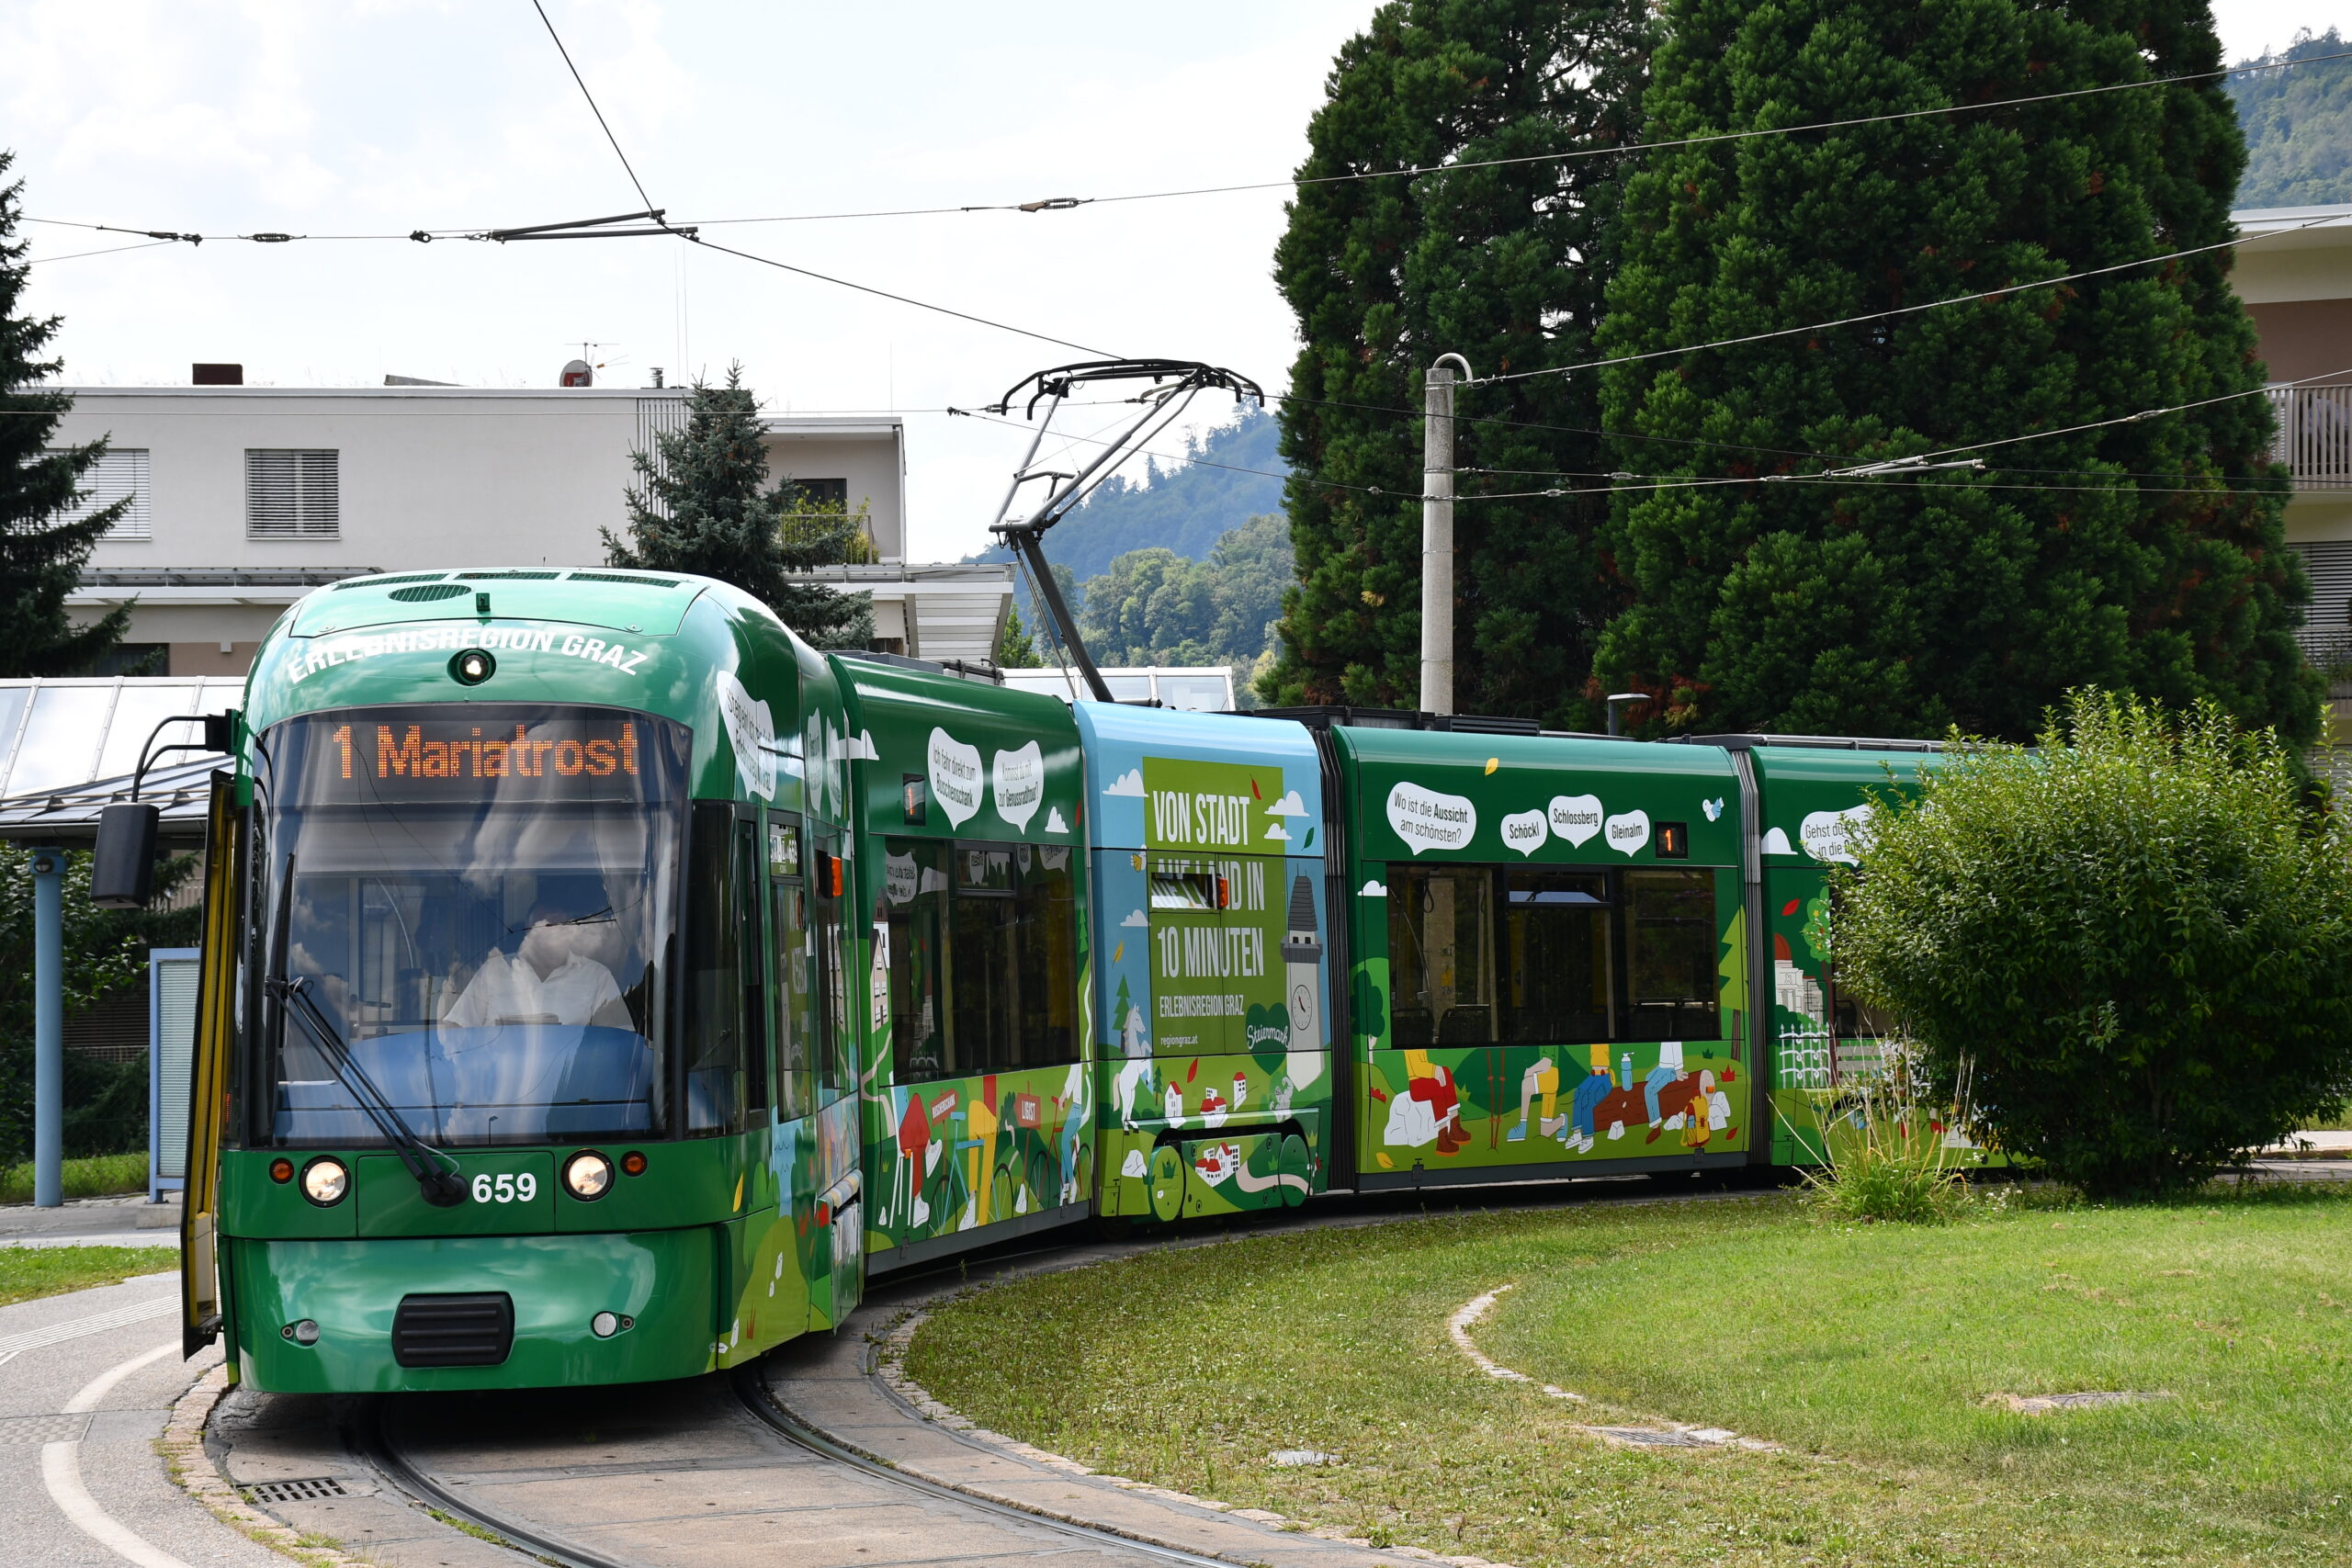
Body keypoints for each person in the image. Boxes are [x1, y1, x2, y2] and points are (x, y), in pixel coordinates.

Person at [442, 897, 632, 1030]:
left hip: (572, 1081)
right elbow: (458, 1027)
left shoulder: (596, 976)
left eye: (557, 928)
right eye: (541, 929)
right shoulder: (493, 971)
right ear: (527, 933)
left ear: (571, 932)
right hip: (500, 1083)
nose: (549, 936)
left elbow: (618, 1039)